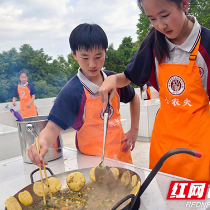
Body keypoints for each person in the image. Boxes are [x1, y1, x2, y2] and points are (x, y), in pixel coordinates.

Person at [99, 0, 210, 181]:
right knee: (165, 194)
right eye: (152, 19)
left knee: (195, 198)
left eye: (165, 16)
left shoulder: (206, 43)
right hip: (164, 138)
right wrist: (112, 79)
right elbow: (127, 77)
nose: (160, 25)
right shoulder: (153, 41)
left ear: (184, 4)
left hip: (199, 140)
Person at [27, 23, 140, 167]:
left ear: (105, 52)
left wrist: (134, 130)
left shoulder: (113, 80)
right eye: (85, 57)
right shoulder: (72, 91)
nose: (92, 64)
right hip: (91, 164)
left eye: (98, 56)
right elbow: (52, 127)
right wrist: (41, 142)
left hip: (122, 157)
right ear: (74, 54)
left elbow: (134, 98)